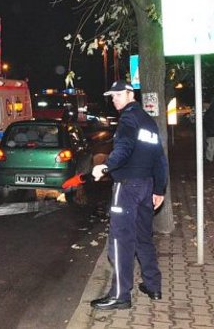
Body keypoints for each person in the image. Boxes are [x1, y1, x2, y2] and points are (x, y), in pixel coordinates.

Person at [90, 80, 168, 311]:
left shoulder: (127, 118)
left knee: (120, 240)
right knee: (144, 237)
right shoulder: (148, 121)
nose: (114, 99)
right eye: (112, 96)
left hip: (127, 187)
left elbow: (123, 148)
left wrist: (105, 167)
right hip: (146, 186)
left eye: (118, 95)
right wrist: (159, 189)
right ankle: (153, 286)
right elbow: (159, 158)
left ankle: (120, 295)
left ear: (129, 94)